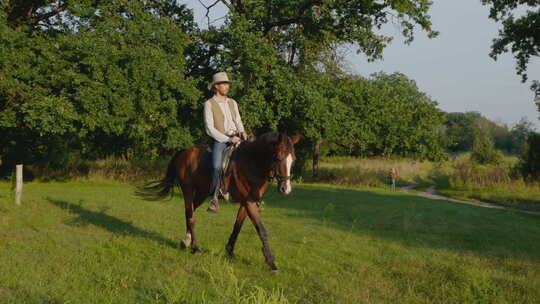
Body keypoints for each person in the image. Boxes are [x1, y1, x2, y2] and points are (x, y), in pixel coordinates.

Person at [203, 72, 247, 213]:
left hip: (237, 137)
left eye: (227, 83)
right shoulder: (209, 104)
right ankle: (215, 197)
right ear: (216, 86)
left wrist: (242, 131)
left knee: (252, 160)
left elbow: (238, 120)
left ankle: (252, 195)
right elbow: (209, 128)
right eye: (223, 84)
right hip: (221, 139)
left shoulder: (233, 102)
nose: (227, 86)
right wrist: (228, 139)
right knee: (216, 166)